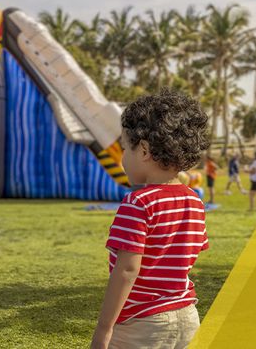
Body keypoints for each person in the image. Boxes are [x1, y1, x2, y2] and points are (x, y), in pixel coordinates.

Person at [91, 90, 210, 349]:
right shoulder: (195, 201)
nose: (122, 157)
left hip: (140, 324)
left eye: (125, 148)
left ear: (143, 150)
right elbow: (187, 256)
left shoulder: (138, 203)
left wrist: (104, 328)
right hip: (188, 317)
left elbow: (126, 270)